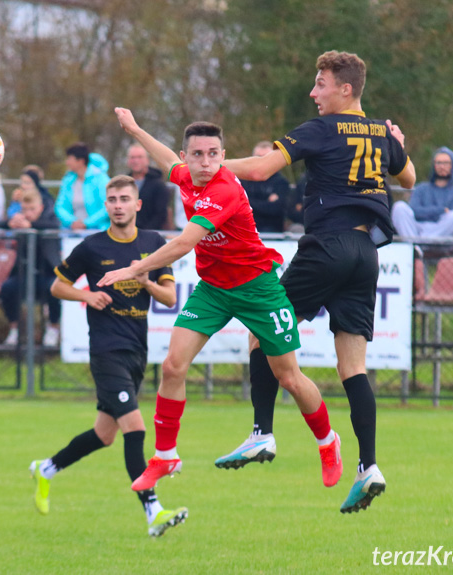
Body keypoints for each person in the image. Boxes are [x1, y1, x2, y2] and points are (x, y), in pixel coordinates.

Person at [99, 109, 343, 498]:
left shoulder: (224, 189)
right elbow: (167, 160)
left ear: (223, 154)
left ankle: (328, 441)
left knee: (288, 377)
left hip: (258, 288)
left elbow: (183, 243)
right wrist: (135, 129)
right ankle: (165, 456)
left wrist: (135, 268)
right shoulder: (185, 175)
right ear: (188, 156)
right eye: (197, 154)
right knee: (173, 365)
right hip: (213, 288)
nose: (206, 162)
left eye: (214, 153)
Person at [222, 50, 416, 513]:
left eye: (321, 84)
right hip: (366, 254)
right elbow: (407, 176)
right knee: (354, 368)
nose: (313, 93)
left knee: (259, 331)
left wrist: (204, 169)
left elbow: (262, 169)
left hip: (326, 247)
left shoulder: (320, 130)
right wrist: (396, 141)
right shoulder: (379, 131)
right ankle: (369, 466)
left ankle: (261, 434)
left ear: (345, 89)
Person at [31, 175, 187, 537]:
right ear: (107, 205)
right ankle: (154, 513)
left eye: (124, 199)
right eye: (112, 199)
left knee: (104, 434)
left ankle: (46, 469)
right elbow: (57, 285)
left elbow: (169, 298)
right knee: (135, 428)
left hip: (137, 350)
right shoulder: (91, 247)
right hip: (106, 350)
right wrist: (87, 296)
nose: (118, 205)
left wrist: (146, 280)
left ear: (138, 205)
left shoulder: (153, 243)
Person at [0, 189, 62, 346]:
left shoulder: (50, 220)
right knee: (7, 288)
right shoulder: (20, 222)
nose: (28, 213)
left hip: (46, 274)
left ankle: (53, 328)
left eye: (32, 209)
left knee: (55, 288)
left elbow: (52, 224)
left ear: (41, 207)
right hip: (24, 274)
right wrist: (10, 223)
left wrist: (31, 226)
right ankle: (14, 330)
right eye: (25, 209)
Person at [391, 147, 453, 238]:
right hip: (416, 229)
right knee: (399, 207)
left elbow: (451, 221)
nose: (442, 166)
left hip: (439, 232)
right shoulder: (421, 188)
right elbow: (415, 210)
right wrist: (441, 210)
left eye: (446, 163)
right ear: (434, 165)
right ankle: (415, 246)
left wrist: (426, 213)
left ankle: (421, 244)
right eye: (438, 163)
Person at [54, 143, 110, 231]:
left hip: (97, 230)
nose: (67, 162)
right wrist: (72, 222)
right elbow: (60, 206)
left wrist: (86, 223)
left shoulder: (101, 179)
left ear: (80, 161)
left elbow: (107, 206)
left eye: (69, 159)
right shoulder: (68, 180)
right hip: (71, 232)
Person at [239, 140, 290, 233]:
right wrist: (265, 203)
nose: (261, 162)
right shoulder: (242, 180)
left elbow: (276, 210)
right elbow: (238, 206)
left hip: (271, 231)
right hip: (245, 228)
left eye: (265, 158)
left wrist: (249, 202)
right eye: (258, 157)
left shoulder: (281, 182)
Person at [127, 144, 170, 230]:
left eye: (139, 157)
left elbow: (161, 215)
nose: (135, 161)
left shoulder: (159, 185)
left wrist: (144, 233)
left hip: (150, 233)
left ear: (147, 160)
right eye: (132, 157)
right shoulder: (124, 183)